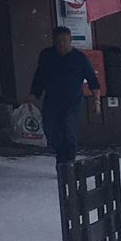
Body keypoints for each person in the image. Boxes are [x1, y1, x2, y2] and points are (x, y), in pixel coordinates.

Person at [25, 25, 100, 165]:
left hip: (73, 101)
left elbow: (93, 81)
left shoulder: (79, 58)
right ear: (53, 41)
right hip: (52, 99)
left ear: (70, 41)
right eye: (58, 41)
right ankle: (61, 156)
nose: (61, 45)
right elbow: (40, 77)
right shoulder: (47, 55)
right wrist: (34, 94)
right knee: (50, 128)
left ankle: (69, 162)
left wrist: (96, 101)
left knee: (68, 128)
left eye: (64, 41)